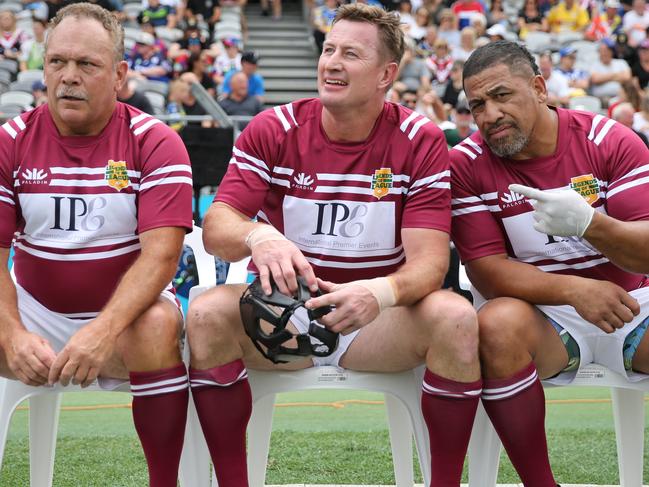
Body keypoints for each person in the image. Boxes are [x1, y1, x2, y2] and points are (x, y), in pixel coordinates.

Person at [186, 4, 480, 486]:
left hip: (379, 322)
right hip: (283, 317)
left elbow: (429, 265)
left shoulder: (419, 138)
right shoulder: (273, 127)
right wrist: (257, 234)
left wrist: (378, 294)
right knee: (204, 313)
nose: (332, 62)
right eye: (328, 50)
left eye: (351, 54)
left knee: (456, 318)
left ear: (387, 74)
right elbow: (217, 227)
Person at [0, 3, 193, 486]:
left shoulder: (156, 141)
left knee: (155, 324)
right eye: (57, 62)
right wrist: (13, 335)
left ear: (120, 75)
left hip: (125, 321)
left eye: (87, 65)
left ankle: (164, 481)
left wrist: (103, 330)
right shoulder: (10, 141)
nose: (68, 77)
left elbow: (162, 256)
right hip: (36, 316)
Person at [450, 40, 649, 486]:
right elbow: (485, 269)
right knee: (495, 325)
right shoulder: (464, 163)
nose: (489, 115)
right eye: (477, 104)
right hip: (546, 315)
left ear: (539, 88)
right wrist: (574, 291)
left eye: (502, 96)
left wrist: (589, 223)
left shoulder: (608, 139)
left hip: (634, 302)